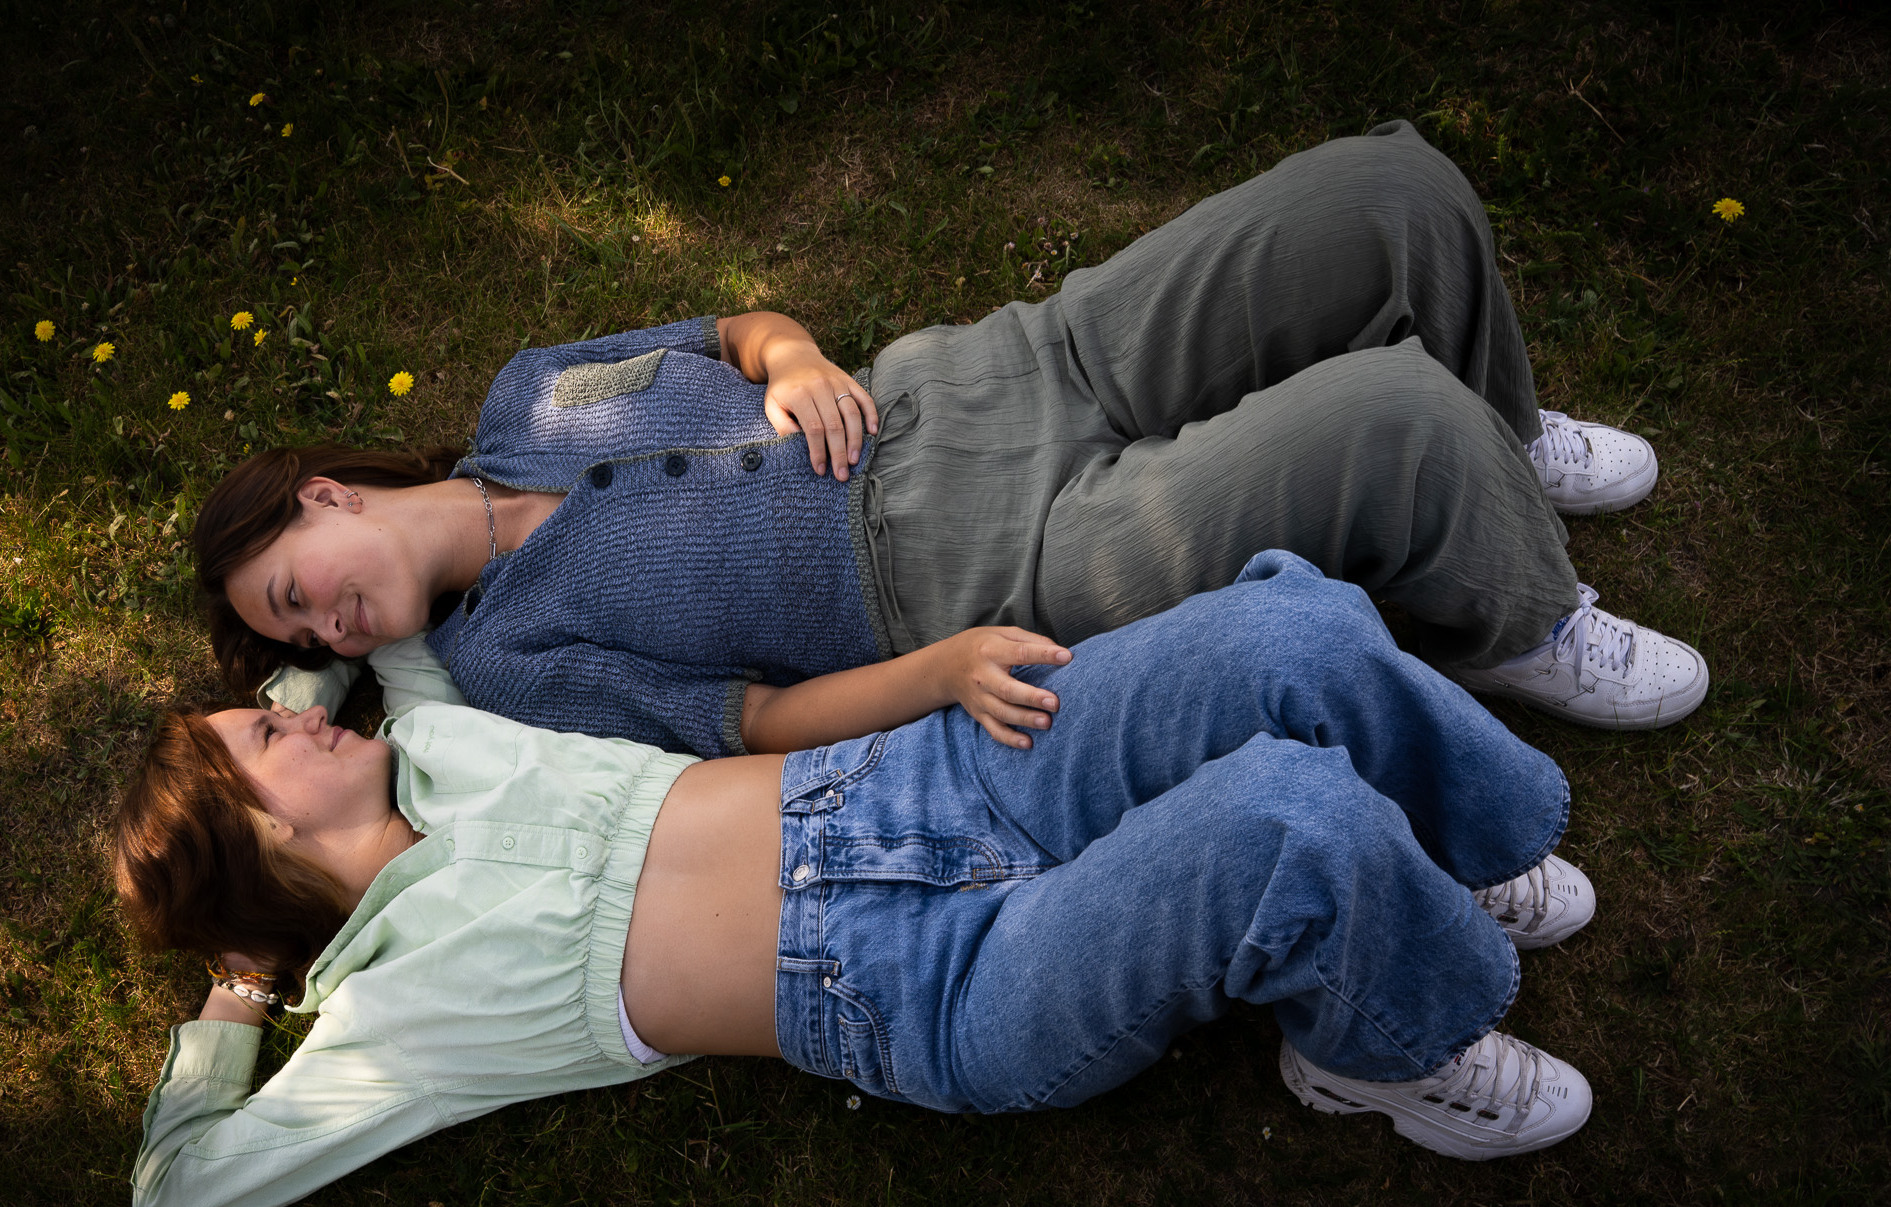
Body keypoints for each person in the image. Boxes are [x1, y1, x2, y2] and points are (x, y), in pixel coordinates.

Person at [118, 556, 1597, 1207]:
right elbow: (176, 1192)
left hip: (940, 773)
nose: (298, 714)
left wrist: (263, 725)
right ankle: (1373, 1046)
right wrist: (242, 975)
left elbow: (336, 654)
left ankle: (1457, 847)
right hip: (936, 984)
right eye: (265, 743)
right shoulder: (392, 1022)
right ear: (260, 835)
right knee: (1285, 821)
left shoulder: (437, 730)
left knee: (1290, 634)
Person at [193, 120, 1707, 760]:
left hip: (1001, 369)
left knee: (1390, 192)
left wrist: (792, 355)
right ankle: (1513, 616)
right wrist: (938, 670)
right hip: (986, 562)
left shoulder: (527, 392)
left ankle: (1504, 446)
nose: (328, 626)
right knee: (1393, 418)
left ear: (322, 496)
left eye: (294, 589)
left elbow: (730, 330)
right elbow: (750, 722)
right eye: (303, 635)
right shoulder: (507, 663)